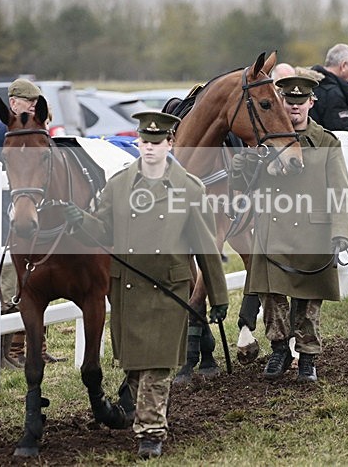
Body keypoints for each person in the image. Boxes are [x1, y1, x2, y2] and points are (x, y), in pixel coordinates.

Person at [64, 111, 229, 459]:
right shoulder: (119, 184)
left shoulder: (189, 188)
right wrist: (81, 222)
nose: (150, 148)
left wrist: (217, 296)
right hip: (128, 290)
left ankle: (151, 433)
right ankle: (148, 417)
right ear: (138, 142)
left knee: (156, 366)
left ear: (170, 144)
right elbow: (104, 231)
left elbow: (205, 246)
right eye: (145, 141)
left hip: (168, 289)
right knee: (136, 368)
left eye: (158, 142)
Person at [232, 75, 348, 382]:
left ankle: (308, 357)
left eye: (301, 103)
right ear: (281, 103)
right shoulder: (266, 140)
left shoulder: (326, 141)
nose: (295, 108)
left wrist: (341, 233)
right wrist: (243, 162)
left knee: (309, 302)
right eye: (289, 102)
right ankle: (279, 350)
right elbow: (242, 184)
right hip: (274, 231)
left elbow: (340, 191)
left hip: (312, 233)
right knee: (273, 299)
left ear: (312, 103)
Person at [0, 78, 61, 368]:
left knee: (30, 284)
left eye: (36, 103)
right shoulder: (1, 133)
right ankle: (8, 352)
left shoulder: (31, 131)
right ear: (13, 103)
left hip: (25, 220)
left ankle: (34, 346)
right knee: (10, 286)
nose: (33, 106)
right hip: (2, 221)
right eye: (28, 102)